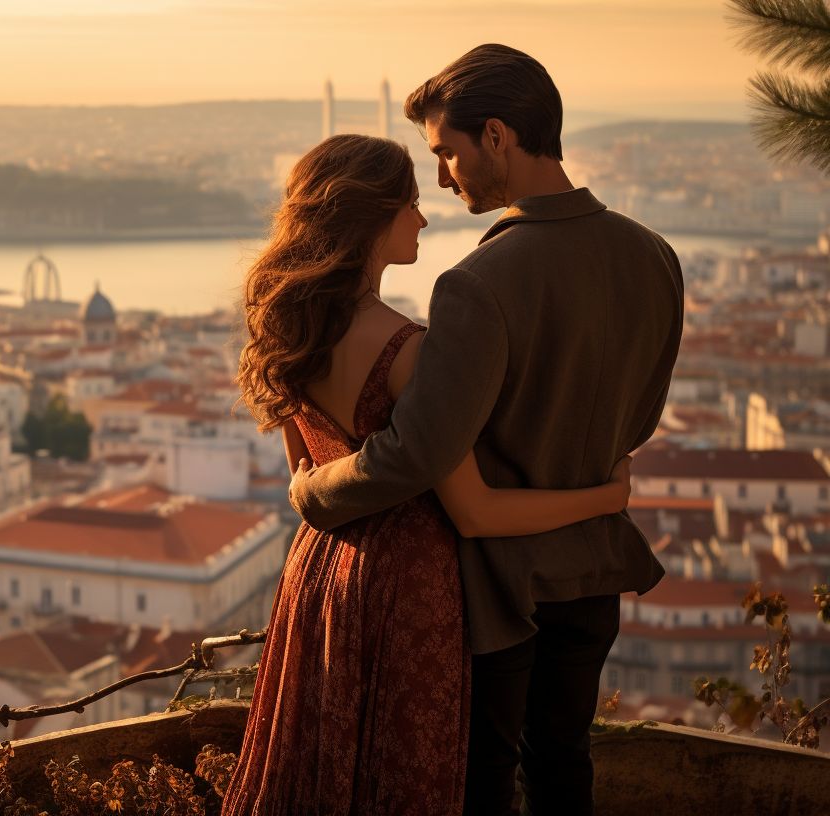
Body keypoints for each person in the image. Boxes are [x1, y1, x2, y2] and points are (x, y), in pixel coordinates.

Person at [287, 46, 683, 815]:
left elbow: (417, 453)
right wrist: (599, 489)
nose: (441, 178)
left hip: (501, 589)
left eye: (447, 153)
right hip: (596, 573)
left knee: (482, 785)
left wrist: (315, 494)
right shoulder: (655, 256)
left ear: (496, 136)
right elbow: (641, 416)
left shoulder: (479, 282)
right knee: (565, 767)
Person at [221, 132, 634, 816]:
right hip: (409, 587)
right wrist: (606, 495)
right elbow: (477, 512)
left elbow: (305, 474)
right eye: (410, 204)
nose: (423, 217)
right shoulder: (410, 352)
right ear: (370, 218)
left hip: (318, 573)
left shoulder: (285, 327)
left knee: (322, 769)